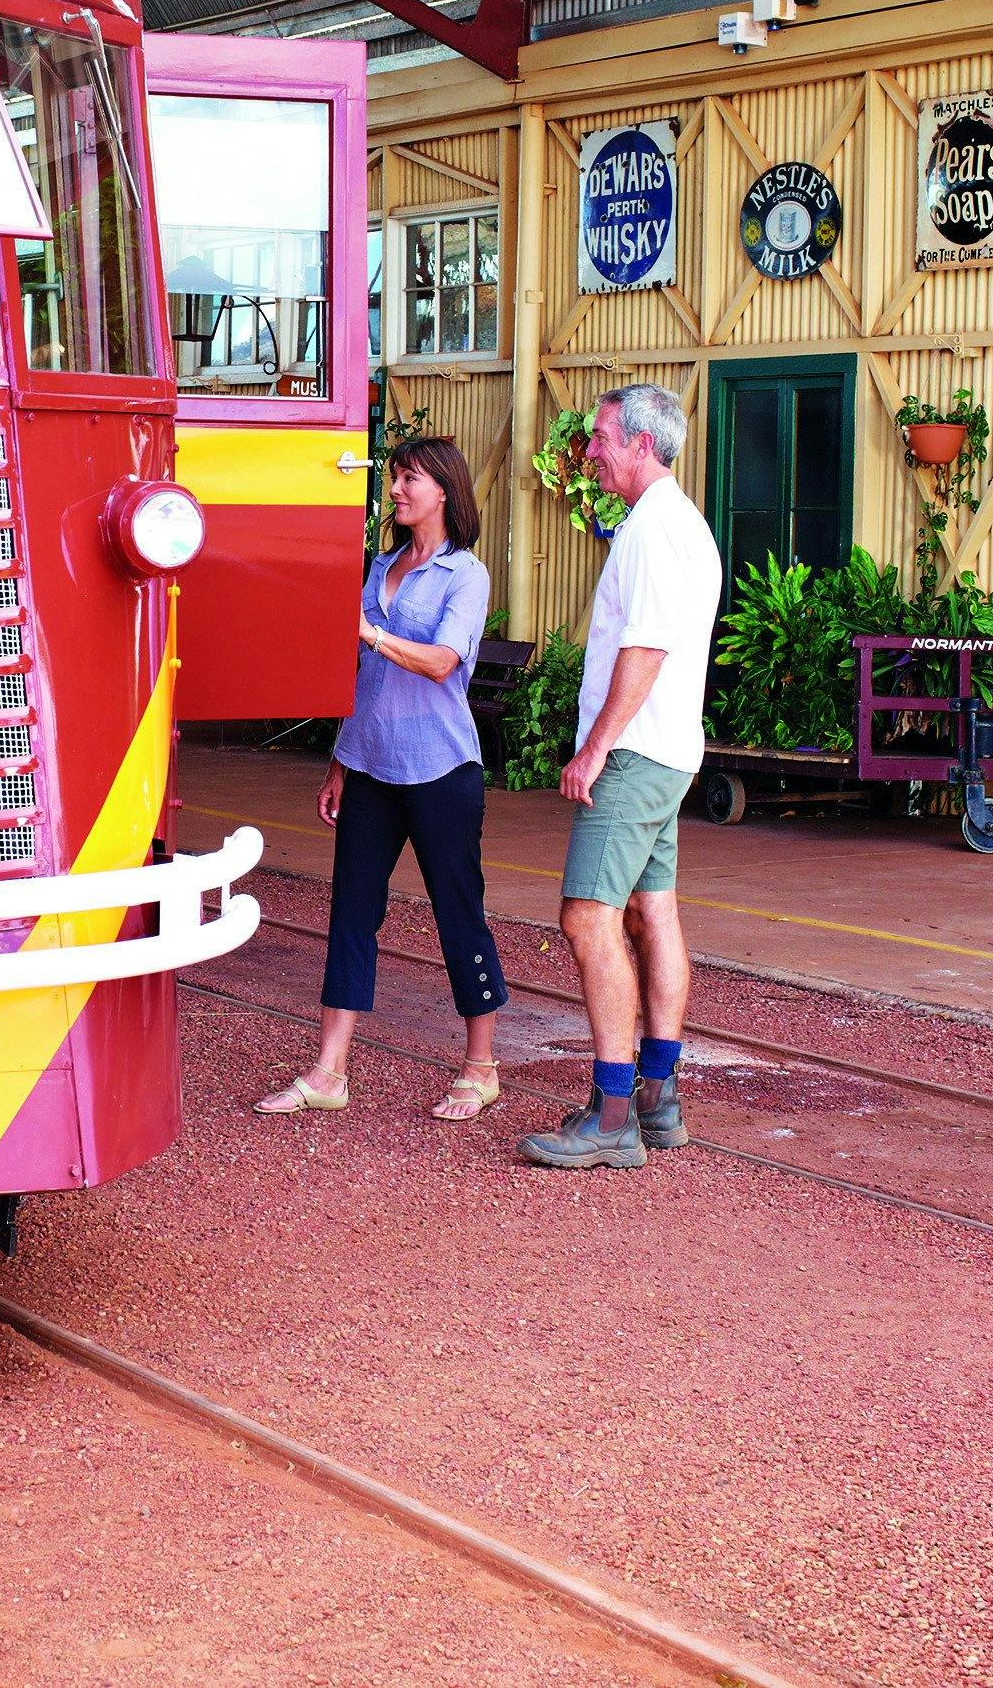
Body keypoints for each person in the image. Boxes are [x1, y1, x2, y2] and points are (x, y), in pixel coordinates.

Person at [256, 435, 512, 1123]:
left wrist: (368, 632)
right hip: (370, 765)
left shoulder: (466, 575)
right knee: (351, 912)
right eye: (395, 477)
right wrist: (341, 760)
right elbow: (364, 679)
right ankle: (329, 1071)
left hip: (441, 769)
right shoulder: (381, 566)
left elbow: (441, 662)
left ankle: (481, 1067)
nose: (395, 489)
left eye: (409, 478)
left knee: (458, 912)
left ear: (444, 491)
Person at [518, 382, 723, 1171]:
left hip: (635, 752)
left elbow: (645, 648)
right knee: (652, 910)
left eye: (602, 438)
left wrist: (596, 747)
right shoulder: (682, 523)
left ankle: (611, 1116)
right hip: (669, 748)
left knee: (586, 917)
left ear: (641, 443)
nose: (591, 452)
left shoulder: (652, 529)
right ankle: (657, 1099)